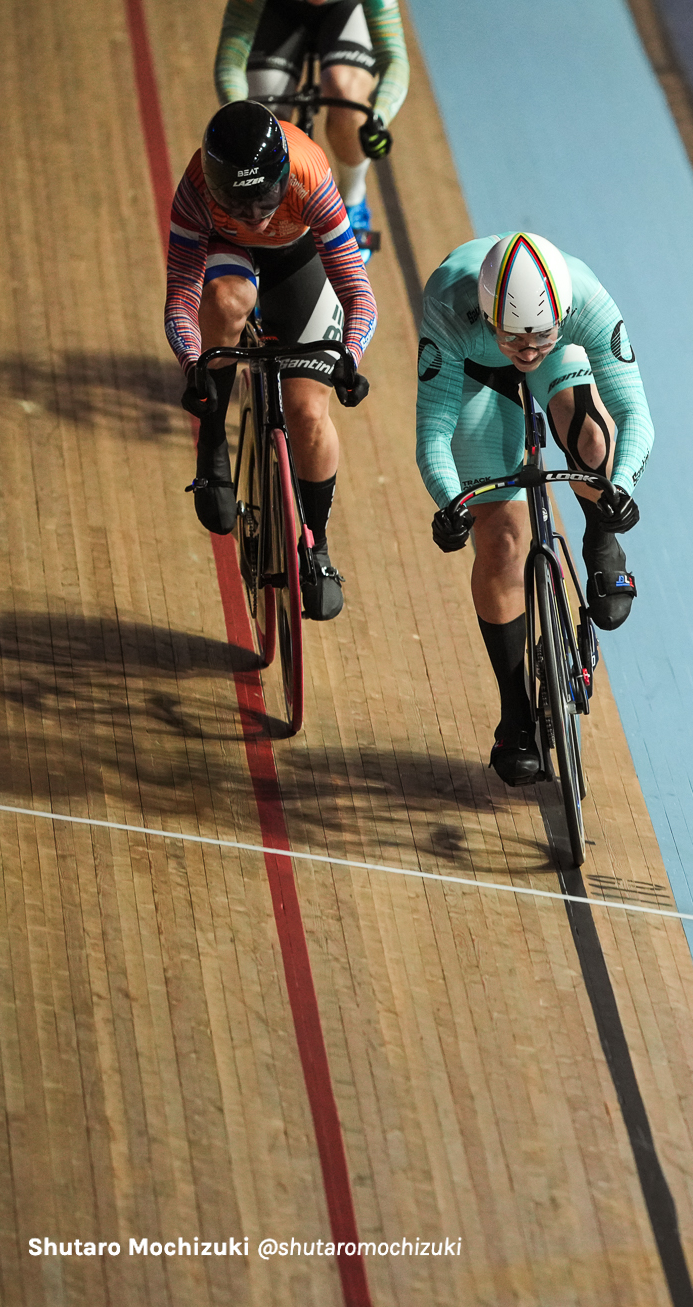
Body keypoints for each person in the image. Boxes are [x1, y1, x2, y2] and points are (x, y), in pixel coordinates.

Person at [417, 234, 649, 785]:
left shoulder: (586, 299)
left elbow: (635, 413)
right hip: (474, 370)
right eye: (514, 338)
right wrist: (451, 505)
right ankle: (515, 713)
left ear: (560, 315)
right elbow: (434, 432)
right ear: (488, 313)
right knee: (499, 542)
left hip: (556, 354)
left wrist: (620, 487)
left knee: (592, 441)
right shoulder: (451, 305)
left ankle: (602, 542)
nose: (526, 352)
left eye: (538, 336)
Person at [166, 100, 375, 620]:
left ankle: (317, 543)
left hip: (296, 256)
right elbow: (182, 300)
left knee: (307, 410)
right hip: (226, 254)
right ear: (216, 192)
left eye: (266, 198)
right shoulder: (194, 193)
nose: (258, 216)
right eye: (243, 205)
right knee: (224, 301)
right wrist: (194, 363)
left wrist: (349, 356)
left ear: (283, 175)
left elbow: (358, 293)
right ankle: (213, 439)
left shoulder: (309, 174)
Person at [213, 0, 408, 261]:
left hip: (344, 12)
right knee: (267, 118)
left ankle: (353, 198)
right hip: (278, 11)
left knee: (346, 95)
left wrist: (378, 117)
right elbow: (230, 59)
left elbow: (394, 57)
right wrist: (241, 117)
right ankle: (267, 201)